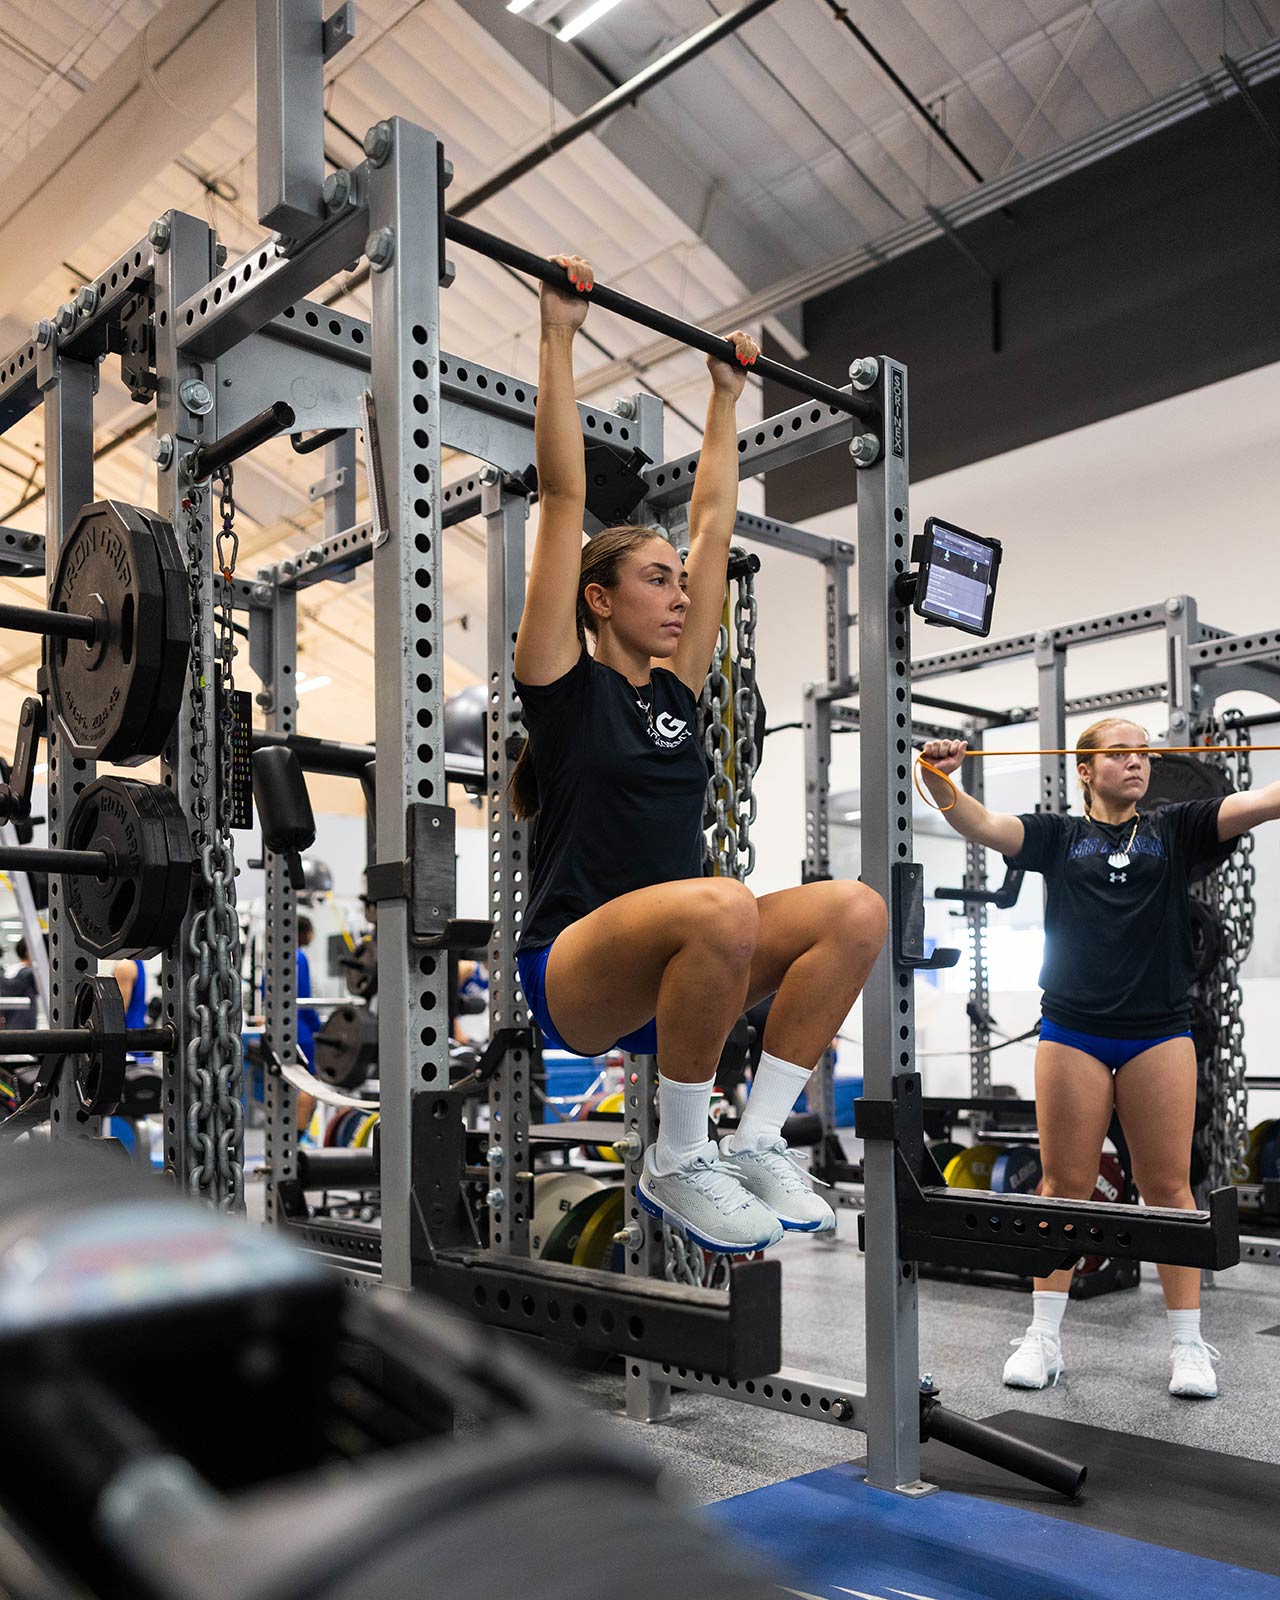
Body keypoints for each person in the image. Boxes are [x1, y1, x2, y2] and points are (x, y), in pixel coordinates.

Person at [510, 252, 887, 1255]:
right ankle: (678, 1158)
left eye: (682, 583)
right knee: (722, 899)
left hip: (681, 977)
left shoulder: (676, 693)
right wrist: (558, 332)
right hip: (574, 972)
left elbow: (714, 524)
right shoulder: (562, 685)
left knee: (856, 910)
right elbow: (561, 496)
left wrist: (725, 395)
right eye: (655, 580)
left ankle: (755, 1138)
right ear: (598, 599)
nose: (680, 595)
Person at [919, 718, 1280, 1399]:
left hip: (1159, 1033)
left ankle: (1187, 1344)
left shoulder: (1177, 828)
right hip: (1074, 1031)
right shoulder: (1058, 836)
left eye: (1143, 752)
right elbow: (980, 824)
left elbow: (1264, 801)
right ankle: (1043, 1338)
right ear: (1084, 770)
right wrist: (935, 775)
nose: (1137, 761)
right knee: (1064, 1186)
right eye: (1120, 753)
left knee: (1169, 1189)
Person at [295, 915, 322, 1136]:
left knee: (289, 1081)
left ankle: (289, 1135)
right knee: (309, 1083)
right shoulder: (300, 957)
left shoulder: (274, 956)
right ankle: (299, 1135)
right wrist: (319, 1028)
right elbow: (304, 1000)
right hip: (301, 1030)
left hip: (281, 1028)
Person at [0, 937, 39, 1031]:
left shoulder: (11, 971)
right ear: (28, 952)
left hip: (12, 1026)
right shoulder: (28, 974)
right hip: (22, 1027)